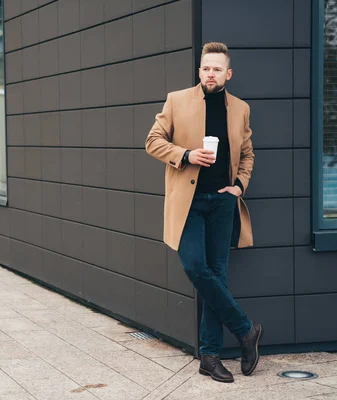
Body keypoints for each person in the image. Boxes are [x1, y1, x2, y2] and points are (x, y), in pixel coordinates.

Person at [145, 42, 262, 383]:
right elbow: (152, 141)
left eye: (217, 69)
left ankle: (209, 357)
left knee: (216, 276)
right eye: (205, 68)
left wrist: (239, 185)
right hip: (189, 202)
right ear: (200, 71)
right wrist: (185, 155)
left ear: (228, 73)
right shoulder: (177, 100)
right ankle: (245, 329)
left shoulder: (240, 108)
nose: (210, 73)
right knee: (195, 266)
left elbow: (248, 153)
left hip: (222, 201)